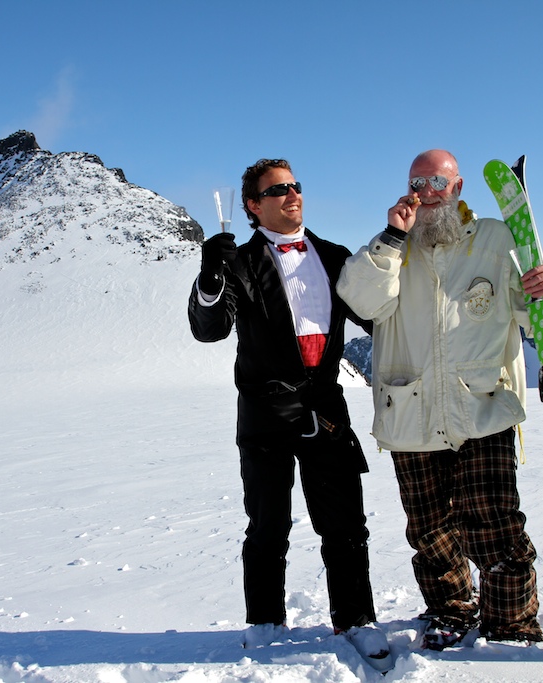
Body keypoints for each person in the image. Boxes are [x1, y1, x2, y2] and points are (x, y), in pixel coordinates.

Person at [336, 149, 543, 647]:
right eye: (418, 181)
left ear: (457, 187)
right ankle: (450, 609)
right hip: (410, 411)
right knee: (430, 531)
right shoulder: (391, 248)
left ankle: (511, 623)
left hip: (483, 406)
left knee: (494, 524)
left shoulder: (496, 240)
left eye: (437, 180)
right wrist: (392, 238)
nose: (427, 191)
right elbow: (360, 299)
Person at [188, 158, 388, 659]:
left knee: (345, 522)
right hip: (265, 413)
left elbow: (379, 317)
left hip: (326, 408)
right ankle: (264, 621)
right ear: (253, 206)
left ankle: (356, 619)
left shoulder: (337, 257)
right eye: (277, 190)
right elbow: (208, 328)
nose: (291, 194)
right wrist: (210, 274)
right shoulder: (238, 263)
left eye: (295, 185)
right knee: (267, 524)